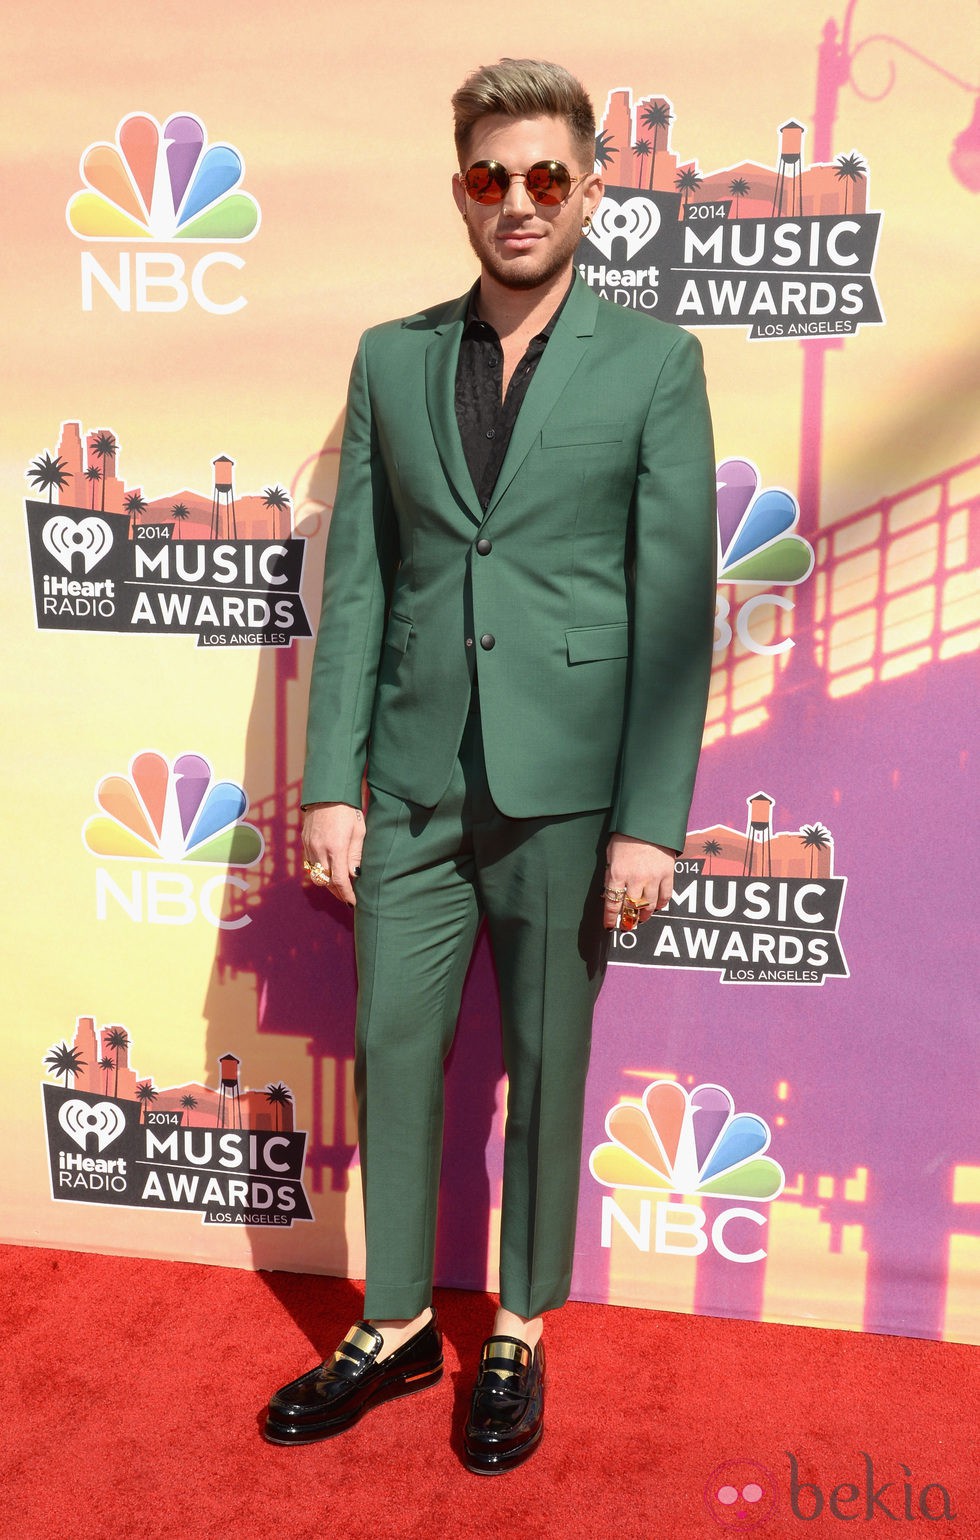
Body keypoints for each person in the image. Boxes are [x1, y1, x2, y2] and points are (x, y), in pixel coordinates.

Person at [264, 57, 716, 1473]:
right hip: (407, 780)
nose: (516, 203)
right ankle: (394, 1323)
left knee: (544, 1053)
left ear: (589, 188)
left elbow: (674, 608)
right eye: (488, 176)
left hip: (570, 792)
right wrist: (329, 779)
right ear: (460, 187)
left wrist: (650, 822)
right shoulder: (392, 358)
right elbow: (359, 590)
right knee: (395, 1049)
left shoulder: (654, 362)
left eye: (544, 177)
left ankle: (515, 1327)